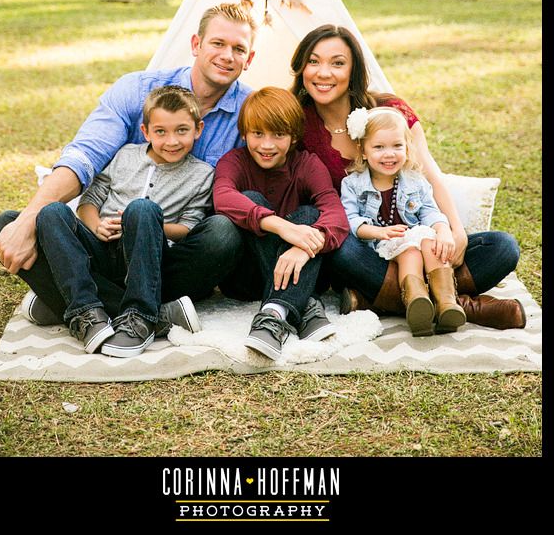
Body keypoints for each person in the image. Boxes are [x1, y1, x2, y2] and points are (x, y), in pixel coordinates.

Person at [0, 3, 257, 326]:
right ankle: (153, 314)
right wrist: (29, 219)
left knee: (223, 235)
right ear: (196, 45)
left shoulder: (249, 111)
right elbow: (84, 157)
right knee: (6, 224)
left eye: (238, 48)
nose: (227, 55)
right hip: (106, 246)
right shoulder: (136, 90)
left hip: (171, 255)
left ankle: (70, 297)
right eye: (218, 43)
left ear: (249, 59)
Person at [290, 24, 526, 330]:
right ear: (302, 67)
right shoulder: (296, 122)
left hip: (422, 243)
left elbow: (430, 174)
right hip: (366, 250)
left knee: (503, 248)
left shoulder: (390, 110)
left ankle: (380, 300)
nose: (324, 73)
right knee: (338, 249)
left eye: (337, 63)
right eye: (313, 61)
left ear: (354, 70)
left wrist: (454, 231)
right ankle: (461, 305)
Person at [29, 86, 215, 356]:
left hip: (149, 261)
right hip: (102, 252)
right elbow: (89, 201)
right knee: (49, 213)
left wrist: (146, 225)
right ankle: (86, 311)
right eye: (161, 132)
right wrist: (96, 226)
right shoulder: (125, 155)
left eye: (182, 130)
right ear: (145, 132)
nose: (172, 141)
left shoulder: (202, 174)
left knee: (141, 209)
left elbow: (188, 227)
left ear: (198, 129)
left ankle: (138, 315)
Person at [213, 87, 349, 360]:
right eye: (258, 134)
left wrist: (304, 246)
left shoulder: (307, 165)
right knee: (250, 199)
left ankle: (273, 314)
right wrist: (279, 226)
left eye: (278, 135)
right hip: (247, 278)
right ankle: (305, 303)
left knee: (310, 216)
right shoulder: (234, 162)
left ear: (294, 137)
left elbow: (335, 213)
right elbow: (223, 197)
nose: (266, 145)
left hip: (302, 266)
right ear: (244, 133)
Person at [342, 106, 466, 336]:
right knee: (410, 251)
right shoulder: (352, 185)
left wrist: (443, 230)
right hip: (384, 247)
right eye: (379, 147)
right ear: (364, 150)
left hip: (417, 236)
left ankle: (446, 303)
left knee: (432, 246)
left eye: (397, 146)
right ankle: (416, 302)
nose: (389, 154)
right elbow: (350, 220)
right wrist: (377, 232)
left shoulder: (414, 180)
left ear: (407, 148)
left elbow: (430, 210)